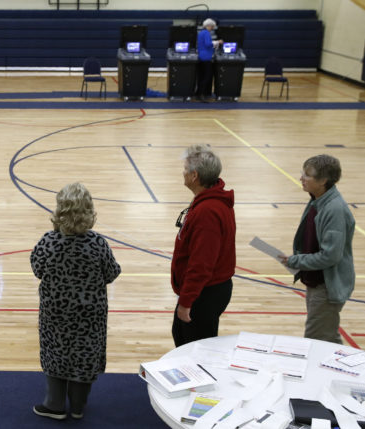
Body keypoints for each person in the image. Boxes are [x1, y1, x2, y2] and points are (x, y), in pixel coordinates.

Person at [30, 182, 121, 421]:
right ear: (89, 212)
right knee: (85, 356)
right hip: (89, 316)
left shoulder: (48, 242)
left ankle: (55, 405)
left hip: (55, 313)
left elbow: (37, 269)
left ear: (60, 211)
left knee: (55, 354)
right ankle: (78, 406)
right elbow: (112, 273)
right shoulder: (99, 244)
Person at [278, 155, 355, 344]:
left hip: (327, 286)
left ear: (323, 181)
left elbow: (330, 256)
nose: (301, 178)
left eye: (308, 175)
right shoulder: (317, 200)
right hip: (316, 281)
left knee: (316, 339)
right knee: (326, 337)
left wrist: (297, 261)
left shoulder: (334, 210)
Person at [171, 145, 235, 347]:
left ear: (194, 176)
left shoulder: (207, 212)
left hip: (204, 293)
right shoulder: (209, 200)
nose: (183, 173)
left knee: (194, 351)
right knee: (182, 337)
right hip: (203, 291)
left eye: (185, 169)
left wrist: (186, 302)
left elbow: (201, 264)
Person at [195, 19, 222, 102]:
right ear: (209, 26)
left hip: (201, 56)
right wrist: (218, 42)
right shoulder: (206, 33)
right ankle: (202, 94)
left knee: (201, 76)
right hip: (206, 57)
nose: (212, 28)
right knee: (207, 76)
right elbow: (208, 44)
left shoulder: (201, 33)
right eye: (212, 26)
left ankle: (198, 93)